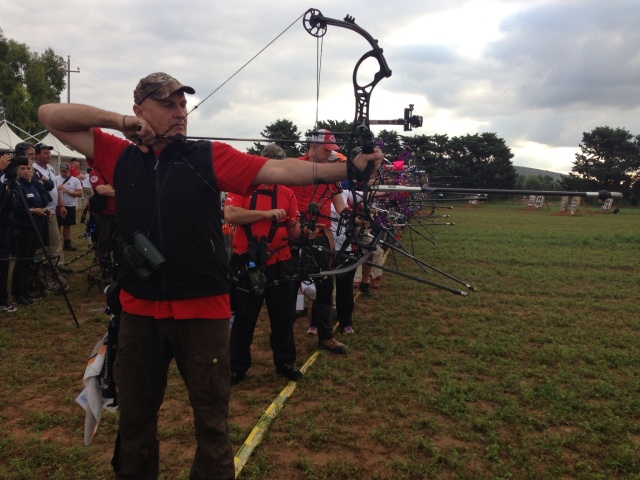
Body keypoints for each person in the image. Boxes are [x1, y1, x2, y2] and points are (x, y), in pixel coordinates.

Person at [38, 71, 382, 480]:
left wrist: (350, 170)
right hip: (138, 314)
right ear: (140, 110)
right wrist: (120, 124)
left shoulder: (207, 156)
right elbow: (50, 115)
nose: (180, 112)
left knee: (212, 426)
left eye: (183, 105)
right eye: (168, 104)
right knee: (135, 425)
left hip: (202, 313)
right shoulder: (119, 154)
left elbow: (283, 169)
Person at [225, 143, 303, 384]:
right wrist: (265, 214)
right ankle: (237, 366)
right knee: (245, 318)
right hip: (247, 262)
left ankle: (285, 361)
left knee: (283, 316)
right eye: (274, 165)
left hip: (280, 261)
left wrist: (306, 230)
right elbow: (229, 214)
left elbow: (293, 229)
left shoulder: (287, 193)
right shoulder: (243, 187)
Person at [289, 129, 351, 354]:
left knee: (325, 284)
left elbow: (340, 206)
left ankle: (326, 336)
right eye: (326, 150)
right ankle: (285, 335)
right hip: (294, 233)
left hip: (322, 235)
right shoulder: (295, 167)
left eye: (332, 150)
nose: (329, 154)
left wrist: (353, 218)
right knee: (289, 284)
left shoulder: (330, 173)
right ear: (313, 147)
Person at [9, 160, 49, 305]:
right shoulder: (17, 186)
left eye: (28, 168)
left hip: (35, 227)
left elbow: (39, 203)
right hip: (23, 228)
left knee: (29, 260)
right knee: (22, 261)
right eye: (22, 169)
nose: (26, 171)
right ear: (17, 170)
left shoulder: (34, 186)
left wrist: (43, 210)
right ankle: (18, 293)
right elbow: (17, 209)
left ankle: (26, 290)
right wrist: (32, 211)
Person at [32, 142, 67, 269]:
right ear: (36, 155)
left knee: (55, 239)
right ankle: (44, 267)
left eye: (49, 153)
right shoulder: (33, 169)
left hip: (52, 209)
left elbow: (55, 189)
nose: (48, 155)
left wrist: (61, 205)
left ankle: (58, 265)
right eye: (45, 153)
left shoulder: (50, 168)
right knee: (43, 241)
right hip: (41, 210)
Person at [0, 153, 17, 312]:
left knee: (4, 260)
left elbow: (13, 201)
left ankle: (2, 298)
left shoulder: (7, 179)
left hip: (6, 224)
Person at [56, 163, 83, 251]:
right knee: (57, 225)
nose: (63, 172)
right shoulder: (55, 179)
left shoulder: (75, 180)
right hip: (58, 205)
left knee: (67, 225)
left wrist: (68, 191)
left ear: (68, 171)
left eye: (65, 171)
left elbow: (79, 193)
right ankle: (56, 243)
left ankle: (67, 243)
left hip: (70, 205)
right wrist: (57, 189)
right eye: (62, 170)